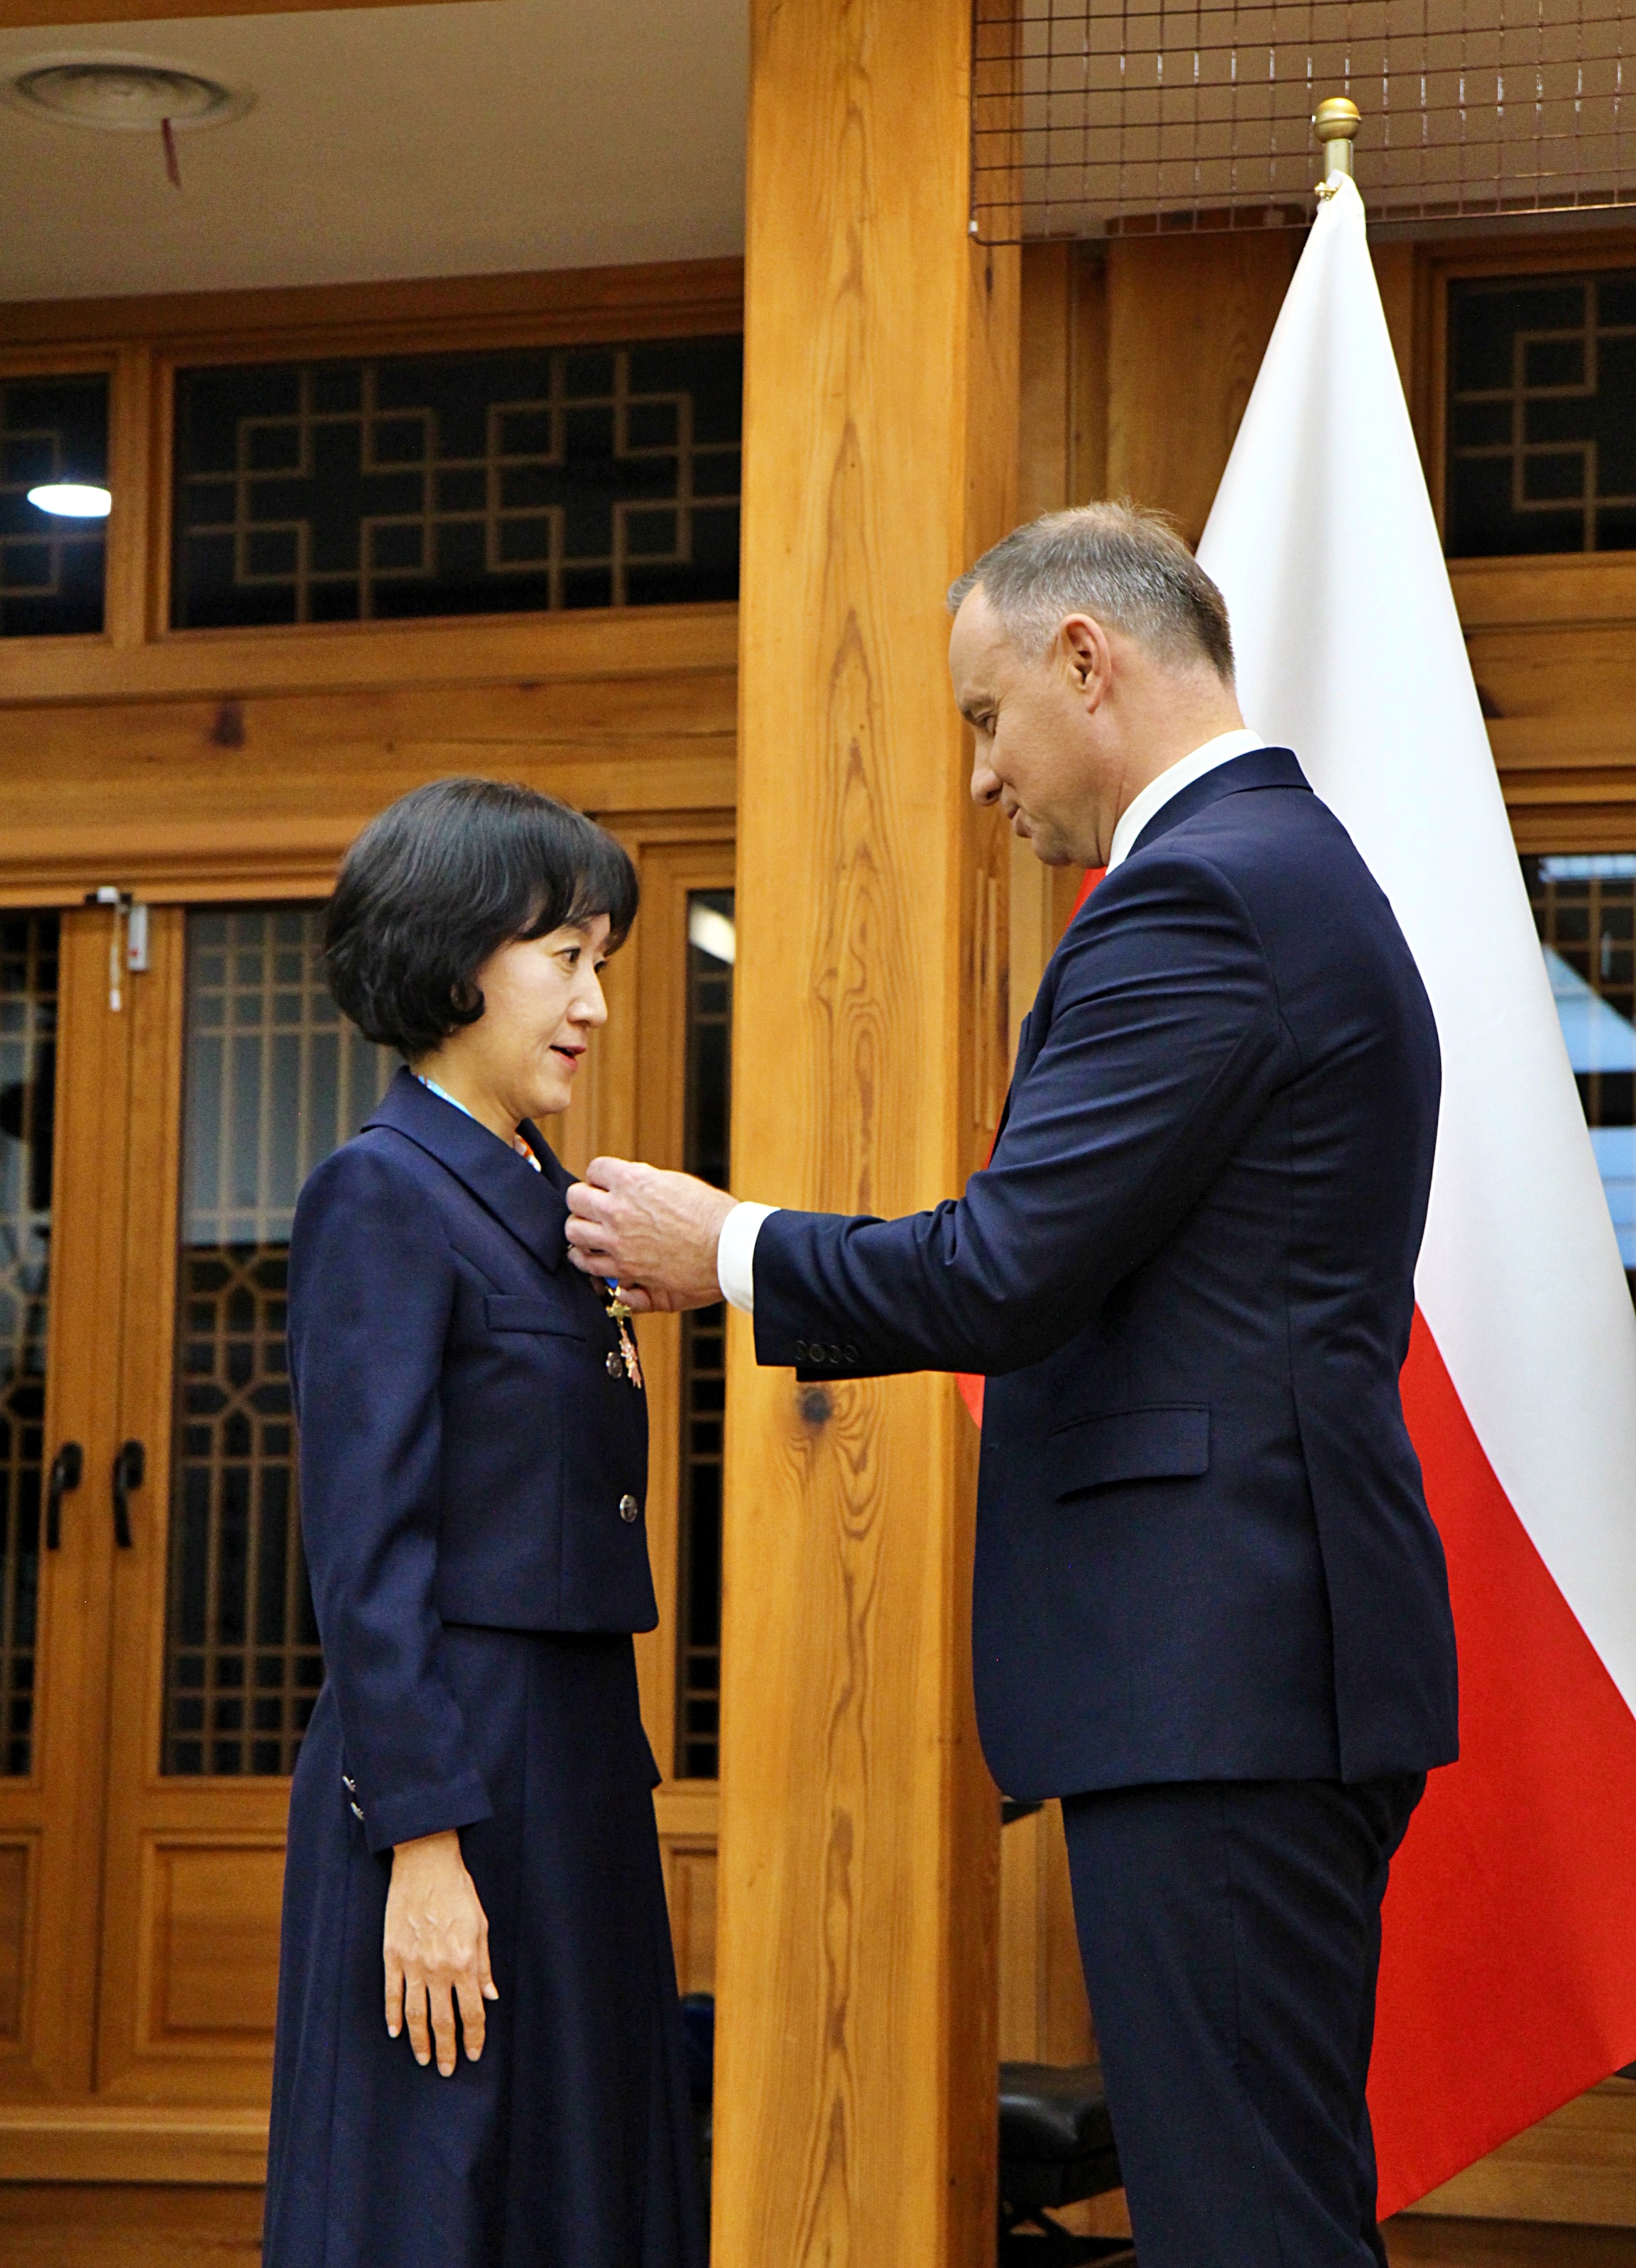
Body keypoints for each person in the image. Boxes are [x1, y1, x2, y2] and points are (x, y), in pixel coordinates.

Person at [561, 504, 1460, 2268]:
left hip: (1228, 1676)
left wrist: (726, 1244)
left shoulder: (1200, 892)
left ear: (1085, 658)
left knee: (1246, 2227)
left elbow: (1006, 1267)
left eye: (984, 717)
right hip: (1259, 1668)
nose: (981, 775)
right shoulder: (1287, 867)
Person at [264, 777, 704, 2268]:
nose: (592, 1000)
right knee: (439, 2193)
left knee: (587, 2187)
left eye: (603, 963)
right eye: (563, 956)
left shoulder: (549, 1199)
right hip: (452, 1766)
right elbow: (368, 1556)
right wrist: (425, 1844)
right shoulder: (383, 1192)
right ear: (458, 961)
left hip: (575, 1758)